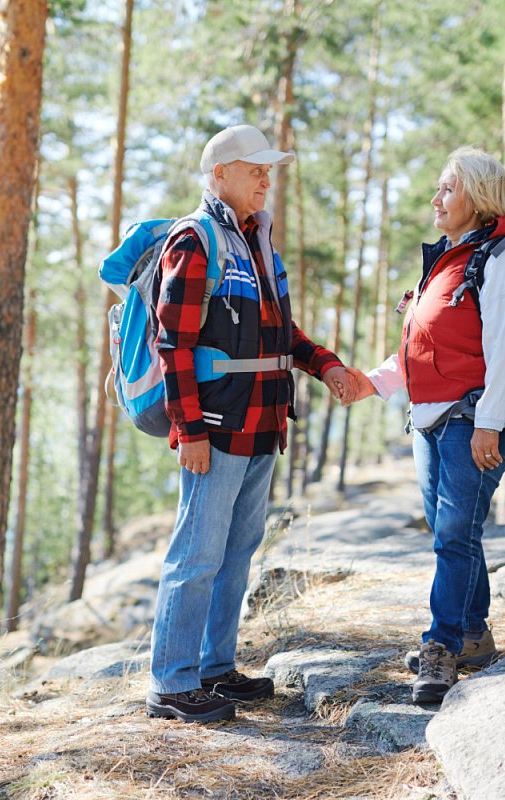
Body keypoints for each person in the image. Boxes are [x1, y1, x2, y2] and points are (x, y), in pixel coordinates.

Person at [146, 124, 355, 723]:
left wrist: (327, 366)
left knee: (236, 553)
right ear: (219, 175)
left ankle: (214, 668)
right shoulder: (196, 240)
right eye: (254, 167)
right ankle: (172, 683)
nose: (267, 178)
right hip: (214, 428)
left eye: (270, 168)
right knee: (197, 555)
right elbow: (173, 344)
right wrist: (188, 430)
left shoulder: (257, 244)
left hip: (263, 426)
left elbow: (280, 333)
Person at [348, 146, 505, 705]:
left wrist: (490, 424)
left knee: (454, 535)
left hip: (470, 420)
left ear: (476, 197)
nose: (436, 199)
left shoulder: (504, 264)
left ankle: (442, 646)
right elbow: (421, 348)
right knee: (452, 532)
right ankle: (473, 635)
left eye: (447, 189)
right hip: (429, 421)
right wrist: (371, 383)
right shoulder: (448, 263)